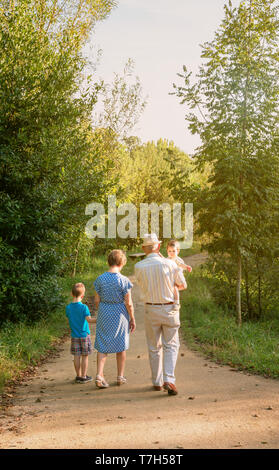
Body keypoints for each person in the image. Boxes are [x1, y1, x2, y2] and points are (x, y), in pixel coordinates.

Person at [134, 233, 187, 395]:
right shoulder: (170, 264)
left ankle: (157, 381)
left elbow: (143, 286)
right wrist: (170, 286)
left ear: (144, 248)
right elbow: (183, 285)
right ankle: (169, 379)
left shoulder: (139, 267)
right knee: (171, 344)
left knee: (153, 346)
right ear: (158, 246)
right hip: (169, 308)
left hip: (151, 308)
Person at [93, 249, 136, 389]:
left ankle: (99, 375)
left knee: (102, 344)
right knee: (121, 345)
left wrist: (102, 310)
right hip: (120, 314)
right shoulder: (124, 280)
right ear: (121, 262)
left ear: (109, 261)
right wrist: (132, 318)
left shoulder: (100, 279)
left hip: (104, 311)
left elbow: (96, 300)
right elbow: (128, 303)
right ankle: (120, 376)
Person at [66, 282, 96, 384]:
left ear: (72, 294)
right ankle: (84, 376)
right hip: (84, 335)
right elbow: (89, 320)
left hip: (74, 335)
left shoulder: (68, 308)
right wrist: (99, 319)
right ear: (82, 295)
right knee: (85, 356)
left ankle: (78, 376)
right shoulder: (84, 308)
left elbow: (69, 319)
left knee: (76, 356)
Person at [166, 239, 192, 308]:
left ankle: (173, 296)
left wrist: (186, 267)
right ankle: (176, 303)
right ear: (167, 251)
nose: (171, 253)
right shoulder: (168, 259)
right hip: (172, 278)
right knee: (175, 288)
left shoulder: (176, 259)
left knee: (181, 287)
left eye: (173, 251)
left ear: (178, 251)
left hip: (178, 277)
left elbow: (181, 264)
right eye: (169, 251)